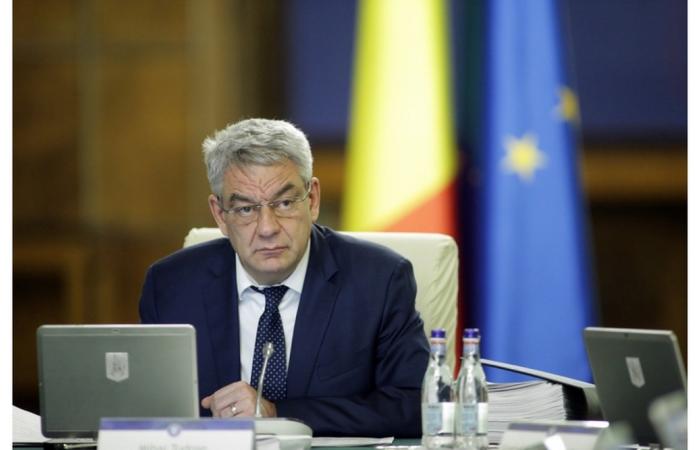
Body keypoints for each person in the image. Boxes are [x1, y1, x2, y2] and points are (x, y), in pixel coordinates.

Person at [139, 118, 429, 437]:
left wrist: (277, 414)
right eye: (246, 209)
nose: (267, 228)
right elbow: (147, 408)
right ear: (220, 215)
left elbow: (414, 405)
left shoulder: (379, 281)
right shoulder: (170, 286)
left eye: (285, 203)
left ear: (312, 199)